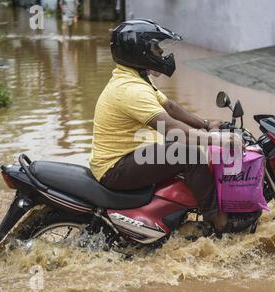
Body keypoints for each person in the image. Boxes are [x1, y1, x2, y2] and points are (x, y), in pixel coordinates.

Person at [89, 20, 236, 233]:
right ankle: (218, 220)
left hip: (126, 157)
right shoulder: (131, 90)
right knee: (189, 154)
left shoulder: (135, 79)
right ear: (139, 52)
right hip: (114, 169)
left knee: (178, 145)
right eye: (155, 48)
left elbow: (170, 107)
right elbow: (169, 126)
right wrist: (215, 139)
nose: (160, 52)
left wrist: (206, 124)